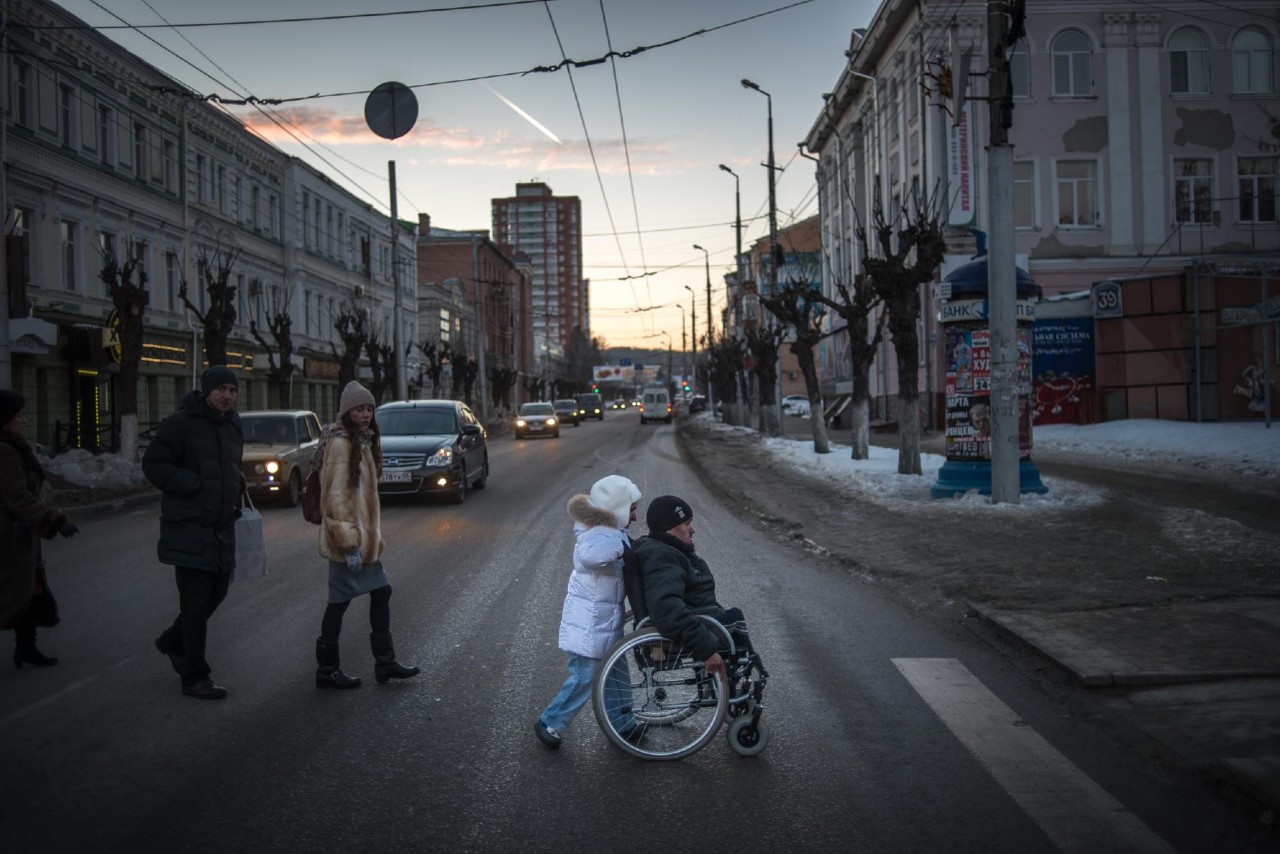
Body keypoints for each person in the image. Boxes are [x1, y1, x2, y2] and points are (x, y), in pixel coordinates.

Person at [142, 366, 244, 700]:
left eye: (231, 389)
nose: (226, 395)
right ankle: (195, 676)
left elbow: (228, 467)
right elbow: (153, 464)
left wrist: (235, 492)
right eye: (220, 389)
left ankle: (172, 641)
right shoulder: (180, 424)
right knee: (195, 604)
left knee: (216, 594)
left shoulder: (232, 424)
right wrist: (194, 485)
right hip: (189, 527)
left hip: (221, 527)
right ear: (206, 391)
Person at [314, 381, 418, 689]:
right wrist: (348, 544)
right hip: (348, 543)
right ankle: (327, 669)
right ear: (348, 411)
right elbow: (334, 498)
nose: (366, 414)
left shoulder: (363, 440)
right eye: (360, 409)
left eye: (370, 408)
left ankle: (385, 664)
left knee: (380, 592)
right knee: (338, 602)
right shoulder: (341, 444)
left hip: (364, 542)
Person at [535, 475, 642, 749]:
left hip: (603, 622)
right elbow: (592, 557)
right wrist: (623, 547)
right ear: (617, 508)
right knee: (586, 677)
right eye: (631, 508)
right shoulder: (599, 533)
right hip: (589, 626)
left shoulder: (608, 531)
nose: (635, 515)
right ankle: (550, 721)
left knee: (616, 673)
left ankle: (624, 723)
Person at [630, 495, 762, 682]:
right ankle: (737, 681)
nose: (692, 530)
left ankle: (737, 680)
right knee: (734, 619)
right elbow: (667, 609)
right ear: (669, 528)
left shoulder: (662, 549)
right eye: (686, 524)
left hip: (694, 618)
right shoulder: (662, 557)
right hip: (678, 632)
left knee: (731, 616)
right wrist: (705, 648)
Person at [0, 391, 79, 668]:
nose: (23, 420)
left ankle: (26, 648)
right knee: (14, 594)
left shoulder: (14, 446)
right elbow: (18, 498)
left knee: (28, 592)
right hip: (9, 538)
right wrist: (55, 520)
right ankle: (26, 648)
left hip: (19, 536)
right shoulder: (5, 451)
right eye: (18, 416)